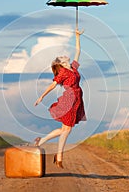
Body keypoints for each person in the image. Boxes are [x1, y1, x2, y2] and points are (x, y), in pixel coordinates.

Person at [34, 28, 86, 168]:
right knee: (67, 130)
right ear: (61, 63)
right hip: (69, 99)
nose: (64, 55)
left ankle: (40, 141)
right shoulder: (63, 72)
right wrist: (41, 97)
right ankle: (59, 156)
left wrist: (77, 36)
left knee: (64, 129)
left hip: (76, 99)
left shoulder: (73, 68)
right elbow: (52, 85)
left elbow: (78, 51)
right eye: (62, 57)